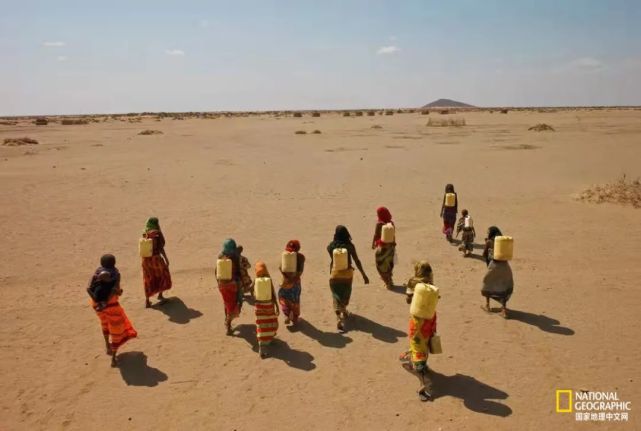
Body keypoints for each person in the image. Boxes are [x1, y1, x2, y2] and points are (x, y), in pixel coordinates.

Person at [87, 254, 137, 367]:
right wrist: (117, 294)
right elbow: (116, 290)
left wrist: (98, 301)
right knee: (116, 330)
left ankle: (107, 346)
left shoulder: (96, 273)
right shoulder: (116, 274)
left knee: (104, 324)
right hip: (111, 306)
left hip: (96, 305)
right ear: (114, 263)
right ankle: (114, 358)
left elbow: (89, 287)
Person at [400, 261, 438, 402]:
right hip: (430, 320)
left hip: (417, 323)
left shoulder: (413, 282)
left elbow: (408, 300)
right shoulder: (431, 284)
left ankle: (423, 384)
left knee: (417, 347)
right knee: (425, 343)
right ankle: (422, 365)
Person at [327, 225, 369, 332]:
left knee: (336, 295)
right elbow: (357, 261)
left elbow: (332, 260)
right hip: (347, 274)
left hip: (334, 274)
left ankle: (339, 317)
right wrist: (364, 275)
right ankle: (344, 309)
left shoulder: (330, 247)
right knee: (345, 293)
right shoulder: (350, 246)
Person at [141, 217, 172, 308]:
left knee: (148, 278)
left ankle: (147, 301)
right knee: (163, 275)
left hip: (146, 260)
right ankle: (160, 295)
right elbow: (160, 247)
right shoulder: (156, 234)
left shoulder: (145, 232)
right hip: (155, 259)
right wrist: (166, 258)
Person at [216, 239, 244, 335]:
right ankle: (228, 322)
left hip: (222, 286)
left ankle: (228, 322)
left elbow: (216, 272)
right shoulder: (235, 257)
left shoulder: (220, 256)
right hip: (233, 285)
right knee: (237, 303)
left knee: (227, 304)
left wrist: (219, 284)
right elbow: (239, 271)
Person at [254, 261, 279, 358]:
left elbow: (252, 291)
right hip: (269, 306)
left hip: (259, 307)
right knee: (272, 322)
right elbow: (273, 293)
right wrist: (276, 306)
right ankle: (267, 341)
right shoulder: (269, 279)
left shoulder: (256, 280)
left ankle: (262, 346)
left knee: (261, 325)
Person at [278, 240, 305, 325]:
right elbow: (300, 271)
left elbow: (280, 267)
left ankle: (287, 314)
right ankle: (295, 318)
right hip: (296, 283)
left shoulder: (285, 255)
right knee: (295, 300)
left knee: (282, 297)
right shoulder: (301, 257)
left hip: (285, 282)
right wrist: (294, 277)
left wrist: (286, 276)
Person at [371, 207, 396, 289]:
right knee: (389, 264)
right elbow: (393, 236)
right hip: (391, 248)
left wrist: (373, 244)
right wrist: (393, 245)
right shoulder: (391, 224)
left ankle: (387, 282)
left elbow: (376, 235)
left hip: (382, 248)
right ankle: (390, 280)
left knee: (380, 265)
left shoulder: (379, 224)